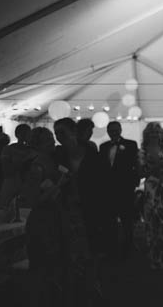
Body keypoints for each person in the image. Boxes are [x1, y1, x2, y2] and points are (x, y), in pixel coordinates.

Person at [54, 117, 109, 305]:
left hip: (91, 207)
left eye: (61, 132)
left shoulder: (92, 153)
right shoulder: (58, 155)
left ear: (73, 132)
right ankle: (77, 289)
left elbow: (103, 183)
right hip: (67, 208)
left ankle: (93, 286)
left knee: (93, 248)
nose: (58, 137)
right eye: (56, 133)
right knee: (72, 249)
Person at [24, 127, 64, 307]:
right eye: (48, 140)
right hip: (42, 221)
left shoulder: (52, 160)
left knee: (54, 263)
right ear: (38, 144)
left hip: (54, 217)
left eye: (52, 138)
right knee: (41, 264)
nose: (53, 142)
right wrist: (60, 185)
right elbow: (34, 200)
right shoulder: (37, 166)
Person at [138, 122, 163, 270]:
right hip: (152, 190)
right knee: (152, 224)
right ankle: (156, 258)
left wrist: (159, 165)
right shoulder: (142, 151)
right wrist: (158, 167)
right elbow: (141, 172)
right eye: (152, 133)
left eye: (158, 132)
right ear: (147, 135)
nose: (155, 135)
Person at [99, 121, 139, 260]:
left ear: (120, 130)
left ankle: (129, 244)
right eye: (111, 130)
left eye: (116, 130)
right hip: (108, 190)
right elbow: (102, 168)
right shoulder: (103, 147)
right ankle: (113, 246)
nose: (113, 132)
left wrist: (134, 183)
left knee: (127, 219)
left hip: (125, 189)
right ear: (108, 131)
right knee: (110, 220)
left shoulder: (131, 144)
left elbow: (136, 165)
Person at [0, 123, 36, 222]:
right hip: (11, 182)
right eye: (23, 133)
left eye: (27, 134)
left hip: (25, 183)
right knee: (5, 208)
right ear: (17, 134)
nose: (26, 136)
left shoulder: (32, 150)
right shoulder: (8, 149)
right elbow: (6, 169)